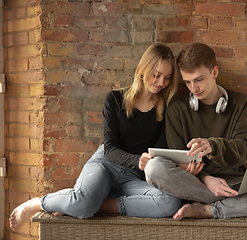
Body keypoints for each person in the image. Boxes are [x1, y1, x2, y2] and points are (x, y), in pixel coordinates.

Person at [9, 42, 182, 232]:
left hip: (134, 177)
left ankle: (95, 204)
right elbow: (110, 149)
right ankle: (37, 203)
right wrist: (136, 160)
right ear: (142, 69)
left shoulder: (167, 108)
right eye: (156, 75)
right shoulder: (114, 99)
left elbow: (159, 149)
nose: (161, 82)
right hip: (105, 165)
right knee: (83, 201)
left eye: (167, 77)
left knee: (170, 202)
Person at [143, 43, 247, 220]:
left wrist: (212, 146)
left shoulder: (240, 103)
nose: (193, 88)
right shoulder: (177, 108)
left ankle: (210, 210)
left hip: (238, 185)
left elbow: (244, 150)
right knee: (154, 168)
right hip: (199, 186)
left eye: (199, 79)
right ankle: (238, 206)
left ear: (214, 72)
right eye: (188, 82)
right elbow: (178, 160)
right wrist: (207, 179)